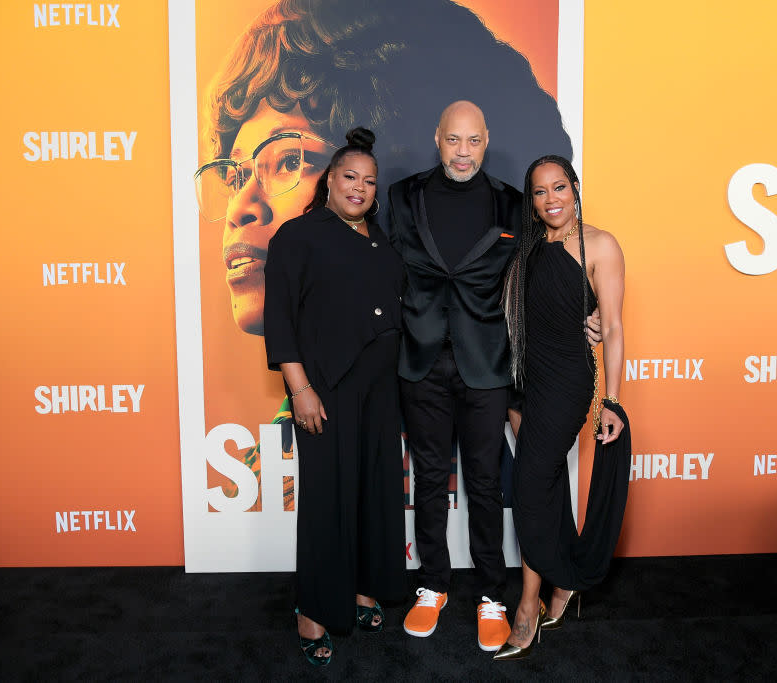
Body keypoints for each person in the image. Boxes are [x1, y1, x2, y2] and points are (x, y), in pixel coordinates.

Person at [195, 0, 574, 505]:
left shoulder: (483, 397)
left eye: (289, 159)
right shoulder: (278, 459)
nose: (243, 205)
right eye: (235, 171)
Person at [388, 103, 600, 651]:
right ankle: (431, 585)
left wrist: (589, 309)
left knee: (485, 484)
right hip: (421, 362)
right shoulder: (402, 195)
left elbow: (547, 266)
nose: (463, 151)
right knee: (430, 479)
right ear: (437, 139)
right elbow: (387, 272)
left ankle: (491, 596)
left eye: (474, 141)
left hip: (487, 366)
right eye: (453, 140)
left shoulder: (515, 204)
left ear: (486, 142)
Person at [263, 128, 407, 666]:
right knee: (326, 499)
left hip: (381, 390)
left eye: (370, 182)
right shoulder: (297, 237)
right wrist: (300, 388)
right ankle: (313, 610)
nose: (360, 188)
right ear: (330, 180)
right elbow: (280, 320)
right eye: (350, 177)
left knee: (373, 491)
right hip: (325, 390)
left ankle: (363, 590)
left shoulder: (381, 242)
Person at [493, 155, 631, 660]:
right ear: (531, 200)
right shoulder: (529, 246)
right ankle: (564, 582)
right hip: (524, 384)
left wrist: (612, 399)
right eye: (539, 192)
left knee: (530, 487)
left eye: (559, 188)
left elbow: (612, 327)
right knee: (546, 485)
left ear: (574, 188)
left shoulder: (599, 244)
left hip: (568, 383)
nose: (551, 199)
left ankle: (527, 605)